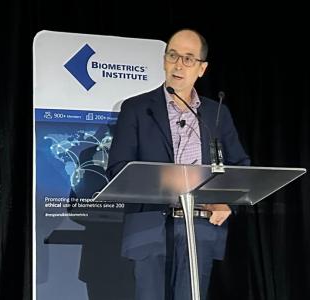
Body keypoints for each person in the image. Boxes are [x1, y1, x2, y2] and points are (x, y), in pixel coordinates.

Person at [107, 29, 250, 299]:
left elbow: (239, 165)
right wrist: (167, 182)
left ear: (202, 68)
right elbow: (118, 168)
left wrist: (223, 201)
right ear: (164, 60)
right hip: (149, 227)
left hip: (201, 228)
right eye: (173, 55)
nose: (178, 65)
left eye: (188, 58)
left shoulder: (215, 113)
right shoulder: (137, 109)